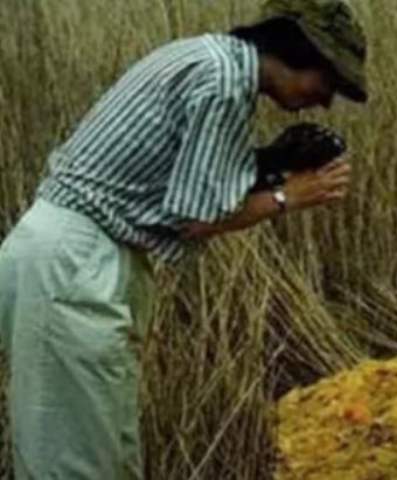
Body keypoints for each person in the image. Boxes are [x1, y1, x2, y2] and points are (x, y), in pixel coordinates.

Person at [0, 0, 368, 477]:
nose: (325, 100)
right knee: (73, 462)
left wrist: (269, 162)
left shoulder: (209, 60)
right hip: (73, 262)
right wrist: (290, 196)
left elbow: (185, 180)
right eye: (328, 82)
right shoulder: (222, 83)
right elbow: (196, 217)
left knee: (105, 451)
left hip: (80, 255)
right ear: (301, 52)